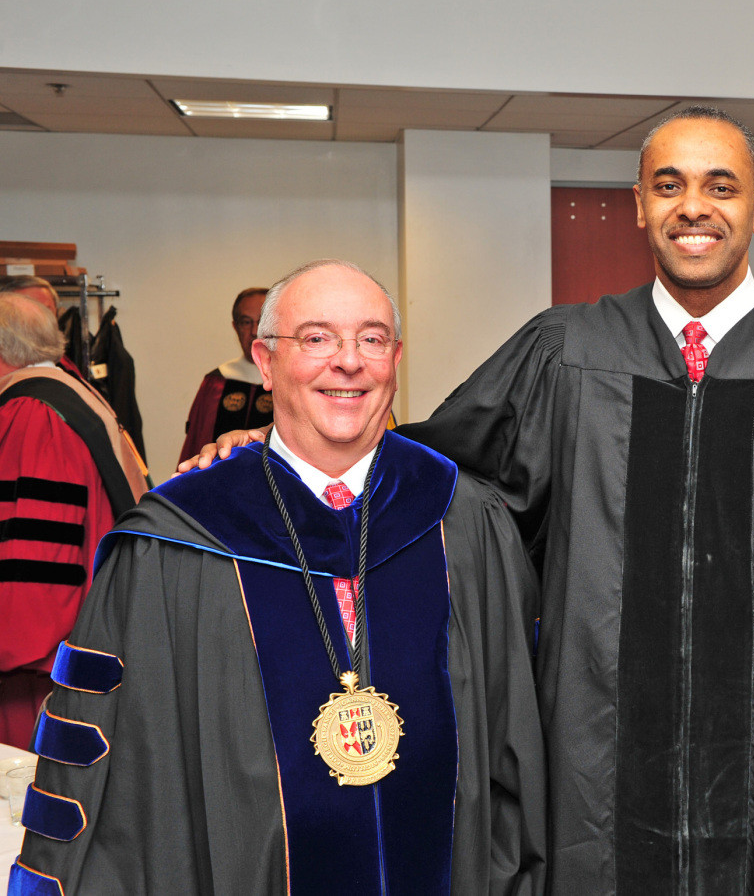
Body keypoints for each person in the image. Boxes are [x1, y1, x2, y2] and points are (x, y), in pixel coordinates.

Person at [186, 108, 754, 896]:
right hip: (594, 785)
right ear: (640, 203)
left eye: (722, 186)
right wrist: (271, 460)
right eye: (669, 185)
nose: (695, 208)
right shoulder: (569, 351)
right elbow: (432, 472)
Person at [10, 261, 546, 895]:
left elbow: (513, 740)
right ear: (264, 361)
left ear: (395, 358)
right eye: (316, 338)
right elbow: (124, 777)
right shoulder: (177, 541)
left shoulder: (462, 518)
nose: (348, 362)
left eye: (371, 339)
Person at [0, 294, 147, 749]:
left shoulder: (32, 413)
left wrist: (13, 642)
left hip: (36, 666)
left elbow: (36, 554)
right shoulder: (68, 393)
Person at [178, 287, 275, 464]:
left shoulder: (288, 381)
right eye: (246, 322)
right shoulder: (216, 382)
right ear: (235, 327)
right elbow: (195, 442)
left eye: (261, 322)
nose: (254, 331)